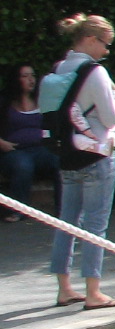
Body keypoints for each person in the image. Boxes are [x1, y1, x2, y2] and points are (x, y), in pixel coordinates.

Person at [47, 14, 115, 308]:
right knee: (95, 224)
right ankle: (93, 291)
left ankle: (64, 287)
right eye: (105, 44)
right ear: (91, 40)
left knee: (67, 221)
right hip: (97, 154)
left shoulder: (58, 68)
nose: (106, 51)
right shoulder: (95, 72)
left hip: (66, 154)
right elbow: (111, 116)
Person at [0, 65, 58, 220]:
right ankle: (19, 210)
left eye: (32, 75)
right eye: (25, 76)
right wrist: (1, 143)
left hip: (40, 149)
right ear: (16, 79)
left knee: (59, 161)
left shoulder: (41, 100)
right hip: (14, 151)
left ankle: (64, 212)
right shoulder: (5, 103)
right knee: (23, 165)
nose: (31, 79)